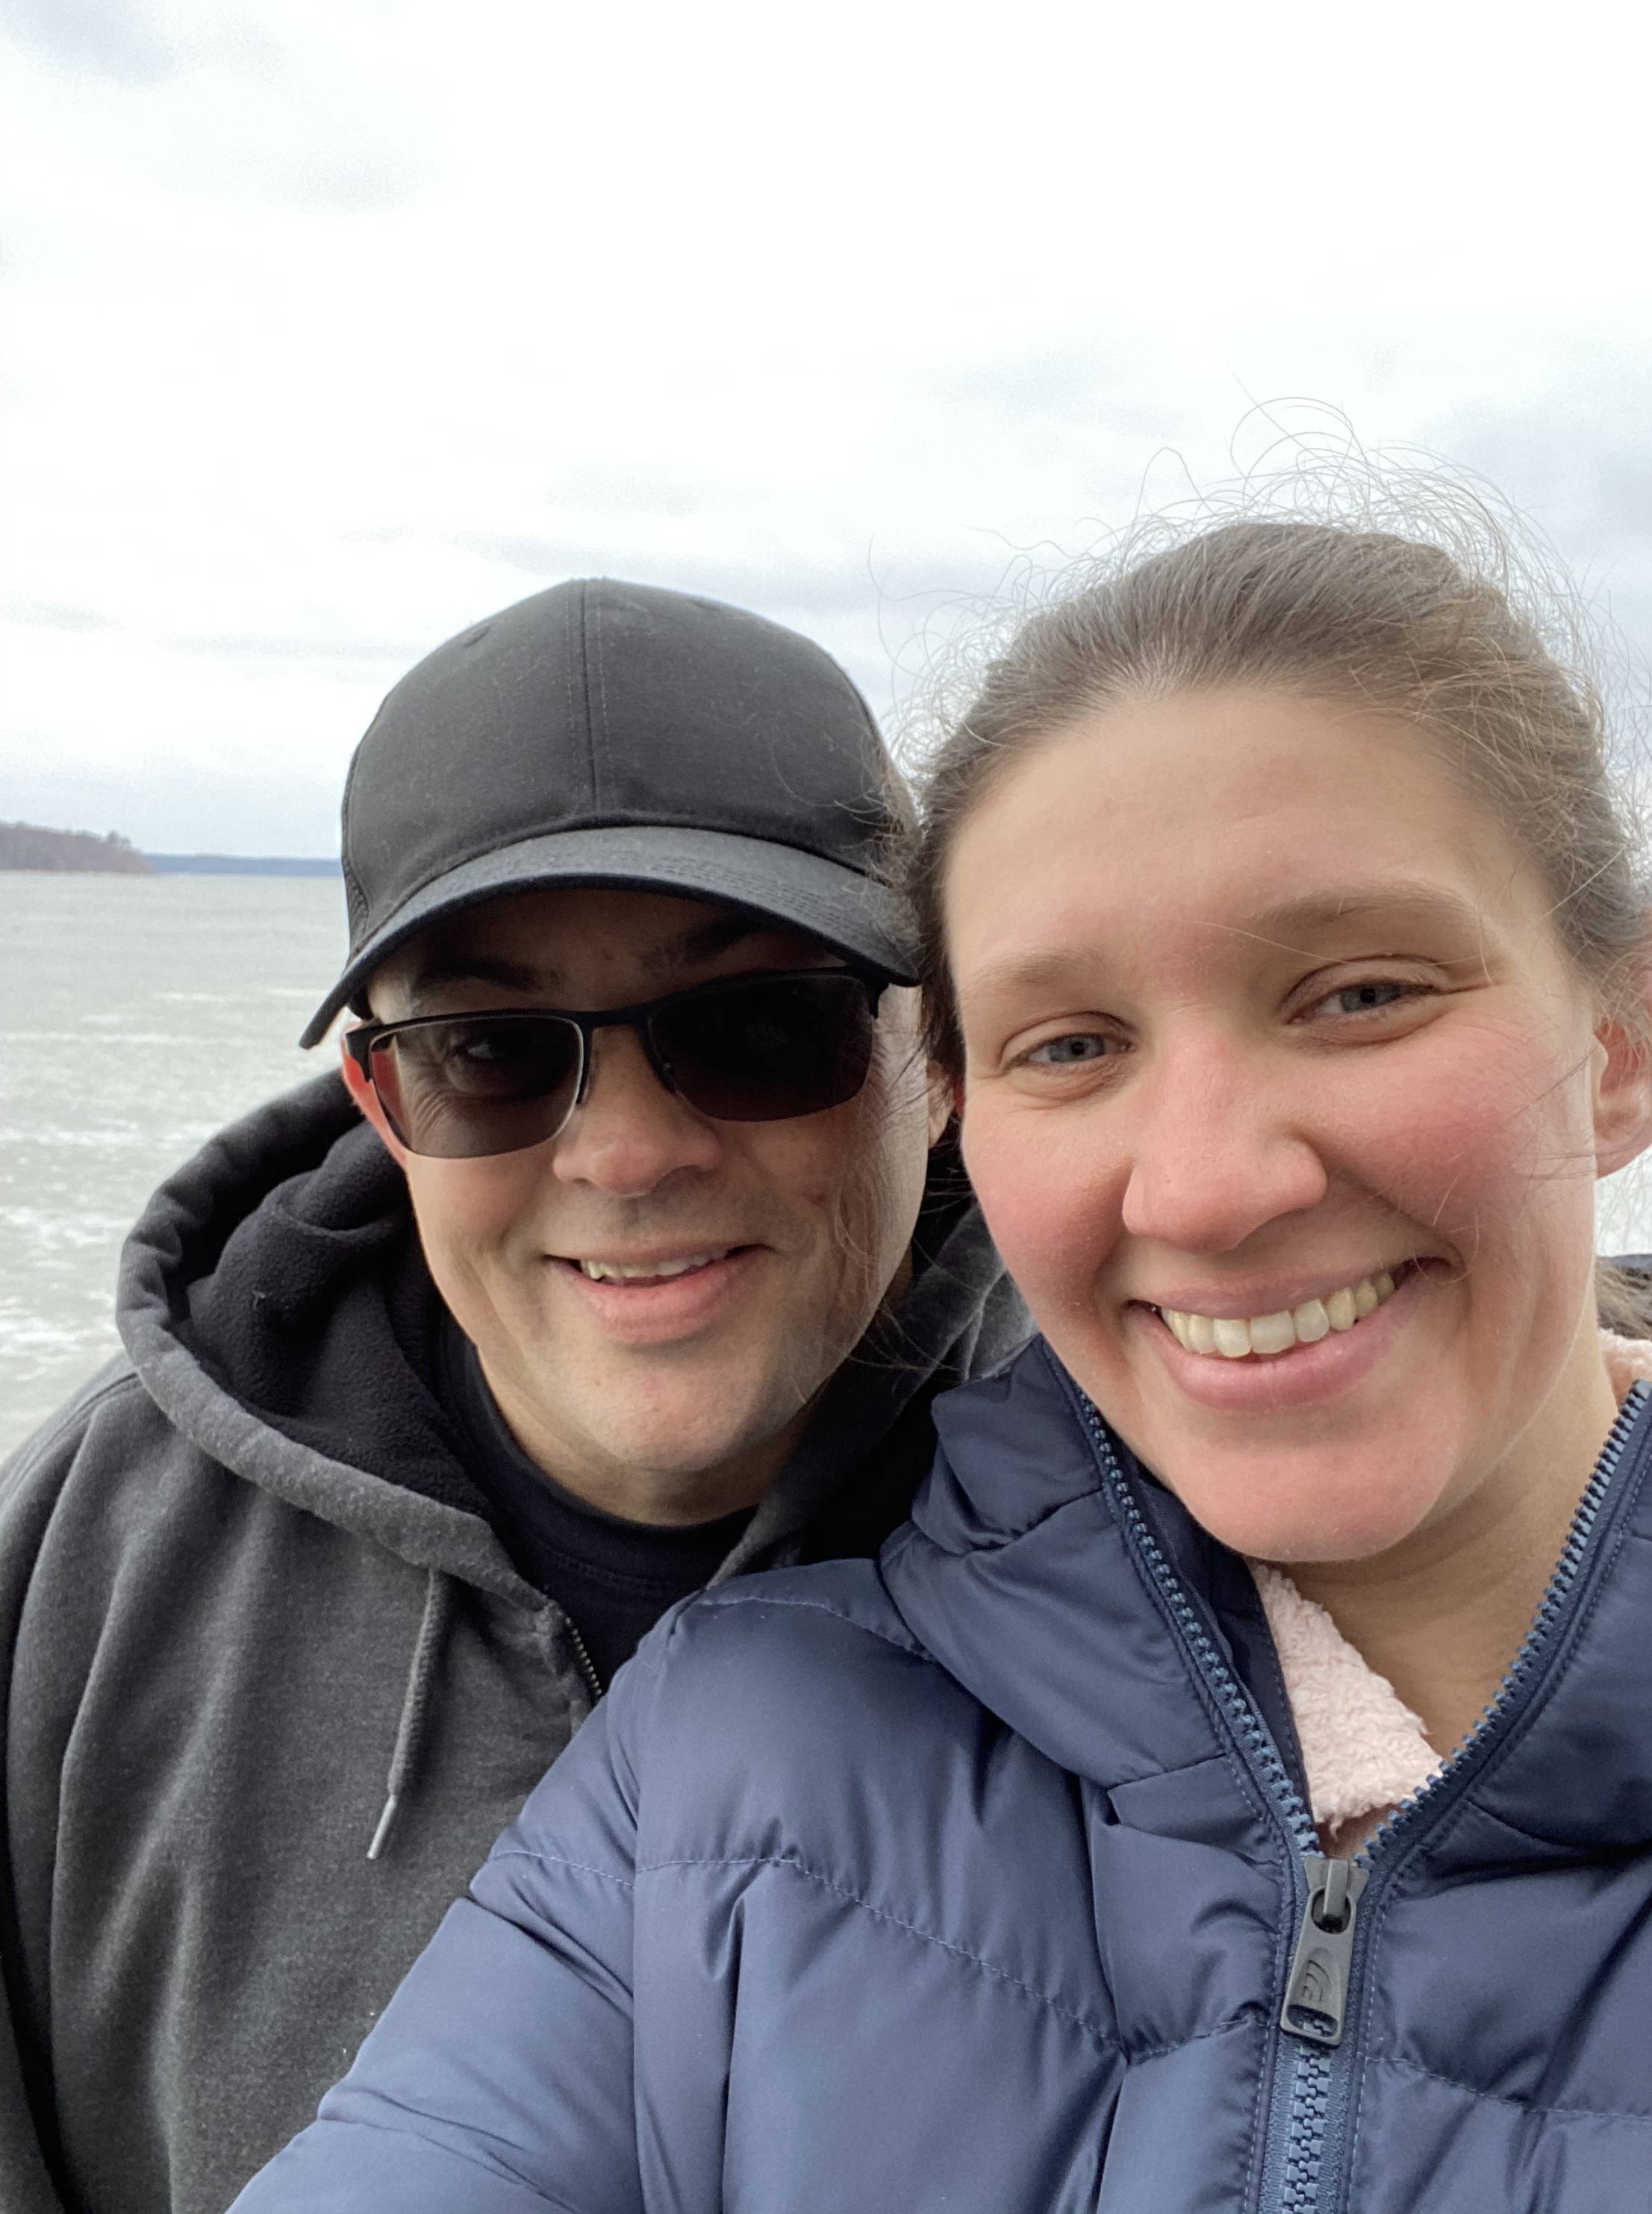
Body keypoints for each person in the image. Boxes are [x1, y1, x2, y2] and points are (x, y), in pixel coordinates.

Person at [234, 511, 1652, 2213]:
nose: (1209, 1186)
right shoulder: (720, 1764)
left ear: (1627, 1041)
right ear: (974, 1114)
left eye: (1359, 994)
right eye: (1072, 1041)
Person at [0, 578, 1028, 2214]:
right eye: (493, 1051)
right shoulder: (86, 1573)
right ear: (378, 1096)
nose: (625, 1156)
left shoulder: (1171, 1519)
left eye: (759, 1027)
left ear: (939, 1053)